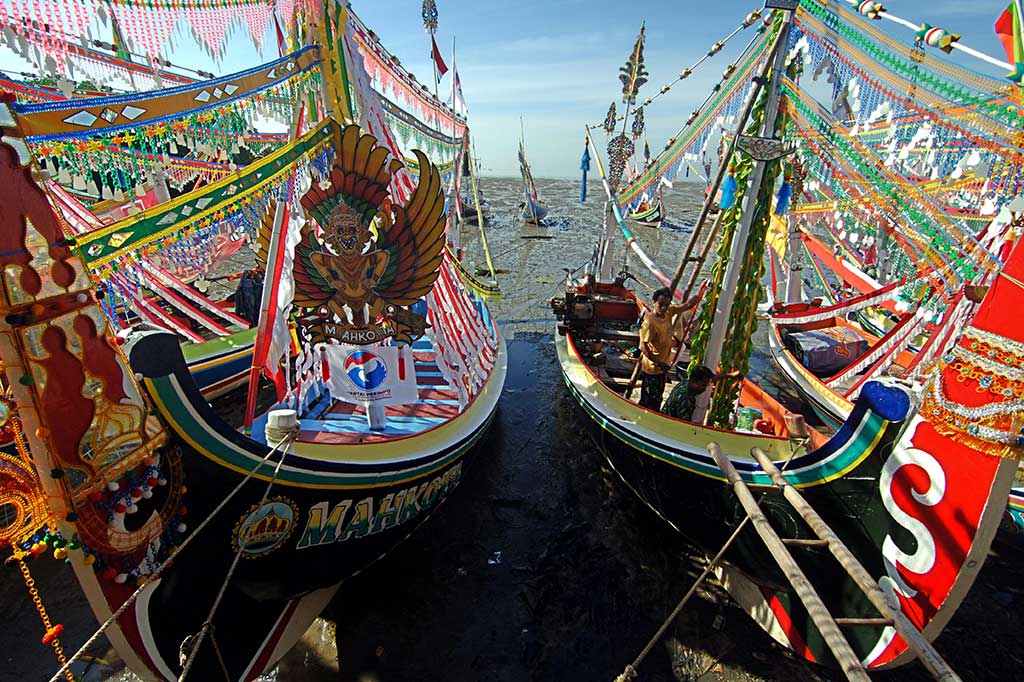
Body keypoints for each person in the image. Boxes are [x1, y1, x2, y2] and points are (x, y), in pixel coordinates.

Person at [637, 286, 700, 410]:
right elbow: (643, 347)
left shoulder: (668, 312)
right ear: (654, 303)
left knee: (655, 395)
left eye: (666, 304)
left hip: (662, 366)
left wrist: (701, 291)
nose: (664, 308)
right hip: (652, 368)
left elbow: (687, 305)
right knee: (652, 399)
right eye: (660, 304)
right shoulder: (650, 323)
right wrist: (660, 363)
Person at [662, 364, 742, 422]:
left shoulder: (685, 383)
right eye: (703, 386)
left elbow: (712, 379)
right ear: (693, 380)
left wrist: (729, 375)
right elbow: (684, 424)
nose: (704, 390)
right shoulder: (685, 399)